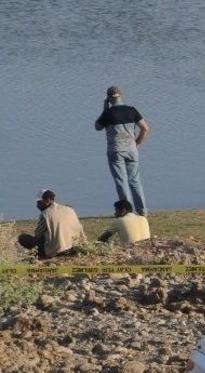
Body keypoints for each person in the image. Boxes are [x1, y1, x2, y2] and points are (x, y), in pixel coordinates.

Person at [94, 86, 150, 215]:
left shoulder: (108, 113)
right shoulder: (132, 110)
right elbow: (145, 128)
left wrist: (105, 108)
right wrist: (137, 143)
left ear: (109, 98)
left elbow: (97, 127)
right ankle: (142, 211)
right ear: (121, 95)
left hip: (116, 151)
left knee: (121, 181)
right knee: (135, 181)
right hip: (132, 150)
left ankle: (127, 211)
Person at [18, 190, 85, 259]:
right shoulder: (69, 209)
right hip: (74, 247)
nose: (37, 206)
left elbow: (38, 234)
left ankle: (40, 257)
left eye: (39, 202)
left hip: (57, 251)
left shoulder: (45, 214)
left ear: (47, 200)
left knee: (23, 238)